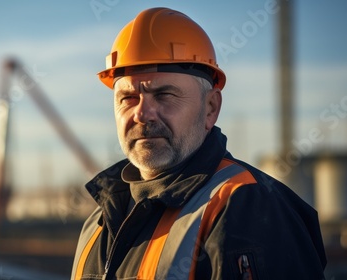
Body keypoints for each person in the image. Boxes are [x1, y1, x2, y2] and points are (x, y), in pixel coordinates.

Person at [71, 7, 326, 280]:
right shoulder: (97, 225)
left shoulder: (247, 207)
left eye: (164, 94)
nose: (142, 114)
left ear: (210, 108)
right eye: (128, 98)